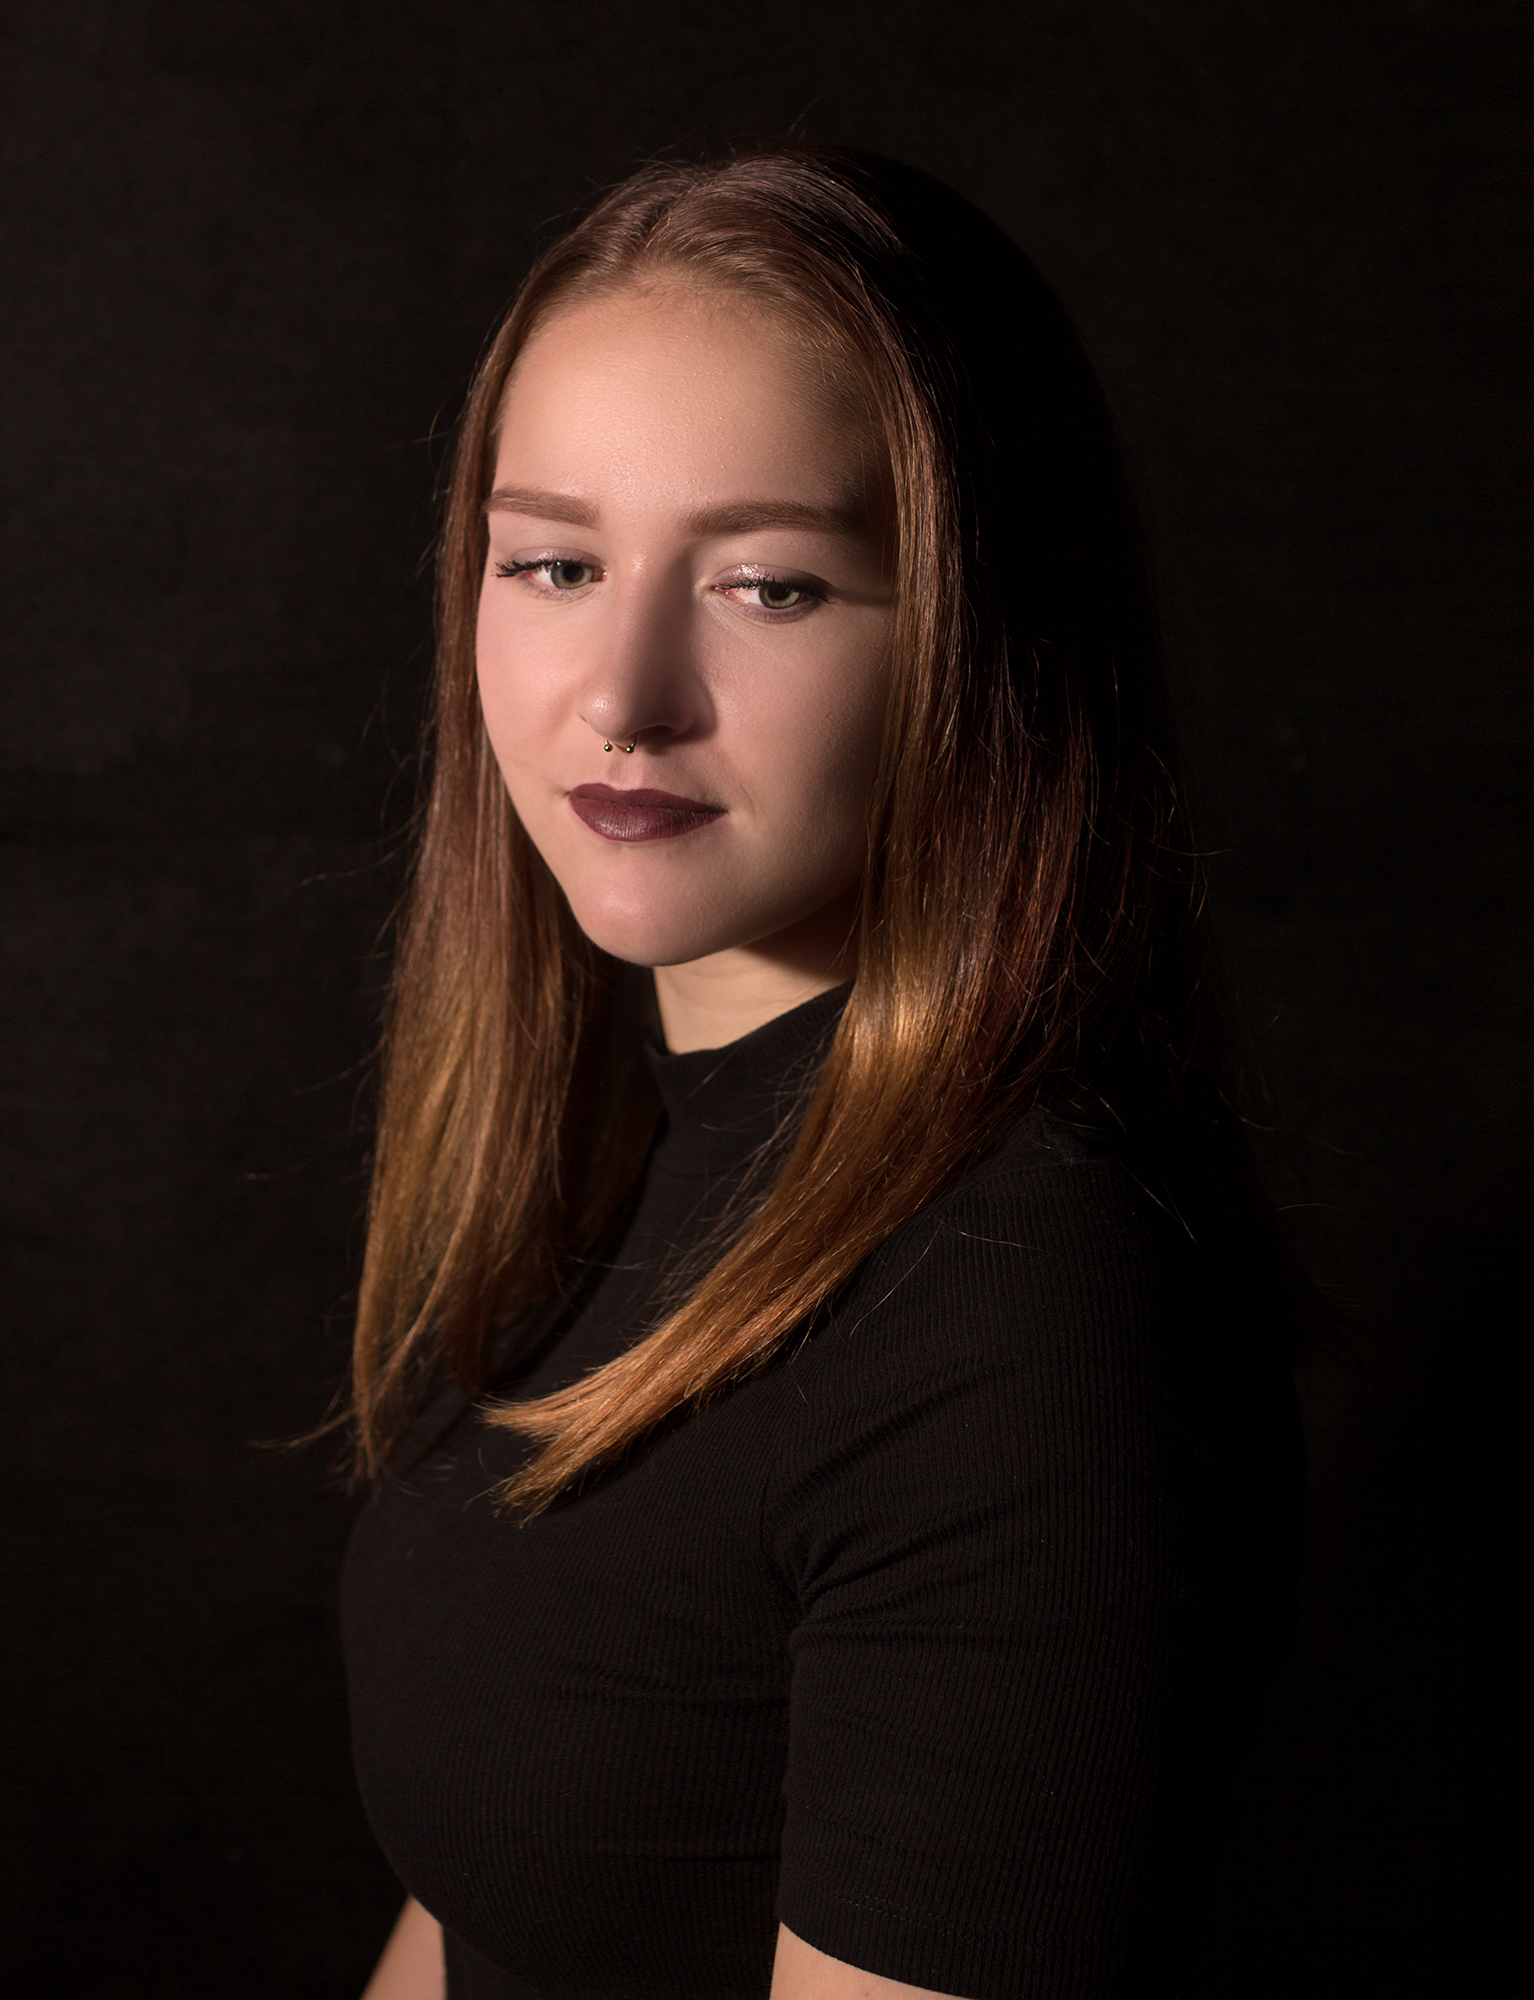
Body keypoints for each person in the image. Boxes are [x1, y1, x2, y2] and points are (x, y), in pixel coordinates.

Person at [339, 149, 1302, 2000]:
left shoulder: (1023, 1316)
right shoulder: (633, 1166)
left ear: (977, 633)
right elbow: (485, 1905)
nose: (623, 693)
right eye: (555, 563)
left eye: (770, 586)